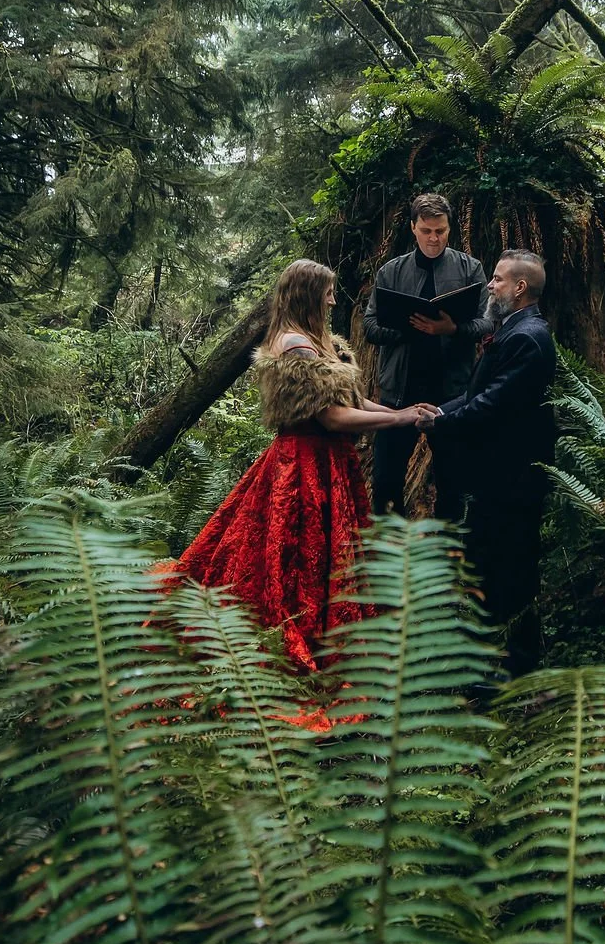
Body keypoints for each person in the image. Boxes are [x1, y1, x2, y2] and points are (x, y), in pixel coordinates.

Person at [175, 259, 432, 670]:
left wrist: (401, 411)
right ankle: (304, 635)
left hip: (329, 461)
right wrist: (399, 420)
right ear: (309, 294)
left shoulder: (317, 341)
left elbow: (351, 401)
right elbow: (332, 417)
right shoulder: (296, 345)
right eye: (327, 291)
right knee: (298, 554)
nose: (333, 299)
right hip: (306, 464)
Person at [417, 249, 556, 674]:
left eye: (497, 279)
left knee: (507, 567)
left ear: (519, 288)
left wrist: (443, 425)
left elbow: (494, 404)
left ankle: (513, 669)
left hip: (513, 479)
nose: (490, 285)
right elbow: (479, 393)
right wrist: (441, 410)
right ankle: (484, 658)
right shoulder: (510, 330)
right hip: (495, 476)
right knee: (483, 561)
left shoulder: (527, 337)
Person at [360, 193, 494, 516]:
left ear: (450, 229)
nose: (434, 238)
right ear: (413, 228)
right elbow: (369, 326)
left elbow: (488, 321)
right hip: (399, 392)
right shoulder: (391, 272)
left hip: (451, 392)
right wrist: (408, 329)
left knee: (453, 480)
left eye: (441, 231)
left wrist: (451, 330)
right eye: (426, 231)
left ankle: (446, 556)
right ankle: (392, 554)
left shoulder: (469, 268)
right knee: (387, 480)